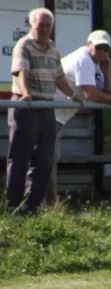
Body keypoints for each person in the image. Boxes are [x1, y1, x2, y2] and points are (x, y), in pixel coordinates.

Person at [7, 7, 83, 216]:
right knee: (20, 157)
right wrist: (26, 94)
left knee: (45, 159)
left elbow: (59, 78)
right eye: (41, 25)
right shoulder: (24, 45)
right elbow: (20, 71)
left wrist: (73, 96)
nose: (45, 29)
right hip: (27, 106)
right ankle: (12, 204)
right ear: (31, 25)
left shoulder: (53, 49)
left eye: (48, 26)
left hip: (48, 108)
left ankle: (32, 205)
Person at [45, 30, 111, 206]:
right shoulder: (84, 59)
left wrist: (107, 72)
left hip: (58, 116)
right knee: (48, 158)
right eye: (99, 47)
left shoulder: (97, 65)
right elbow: (92, 94)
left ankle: (48, 202)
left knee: (49, 158)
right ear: (89, 45)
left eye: (105, 49)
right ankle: (49, 203)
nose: (102, 52)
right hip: (49, 112)